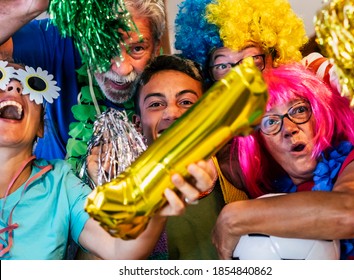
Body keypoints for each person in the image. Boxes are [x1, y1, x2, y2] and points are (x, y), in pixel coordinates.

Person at [0, 58, 212, 260]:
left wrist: (156, 206)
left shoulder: (60, 183)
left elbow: (118, 249)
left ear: (40, 126)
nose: (14, 88)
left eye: (29, 85)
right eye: (2, 78)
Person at [212, 63, 354, 260]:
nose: (288, 128)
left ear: (320, 115)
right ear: (261, 144)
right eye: (270, 122)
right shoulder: (271, 207)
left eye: (298, 110)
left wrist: (233, 218)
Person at [174, 0, 354, 157]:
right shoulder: (231, 126)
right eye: (223, 65)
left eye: (251, 59)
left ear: (274, 54)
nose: (240, 75)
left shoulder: (313, 72)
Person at [86, 54, 247, 260]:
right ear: (138, 124)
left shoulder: (238, 171)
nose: (172, 113)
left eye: (186, 102)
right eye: (156, 104)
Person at [0, 0, 166, 164]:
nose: (122, 69)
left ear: (156, 47)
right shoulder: (58, 39)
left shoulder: (170, 84)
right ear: (83, 39)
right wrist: (29, 6)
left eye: (137, 49)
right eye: (106, 47)